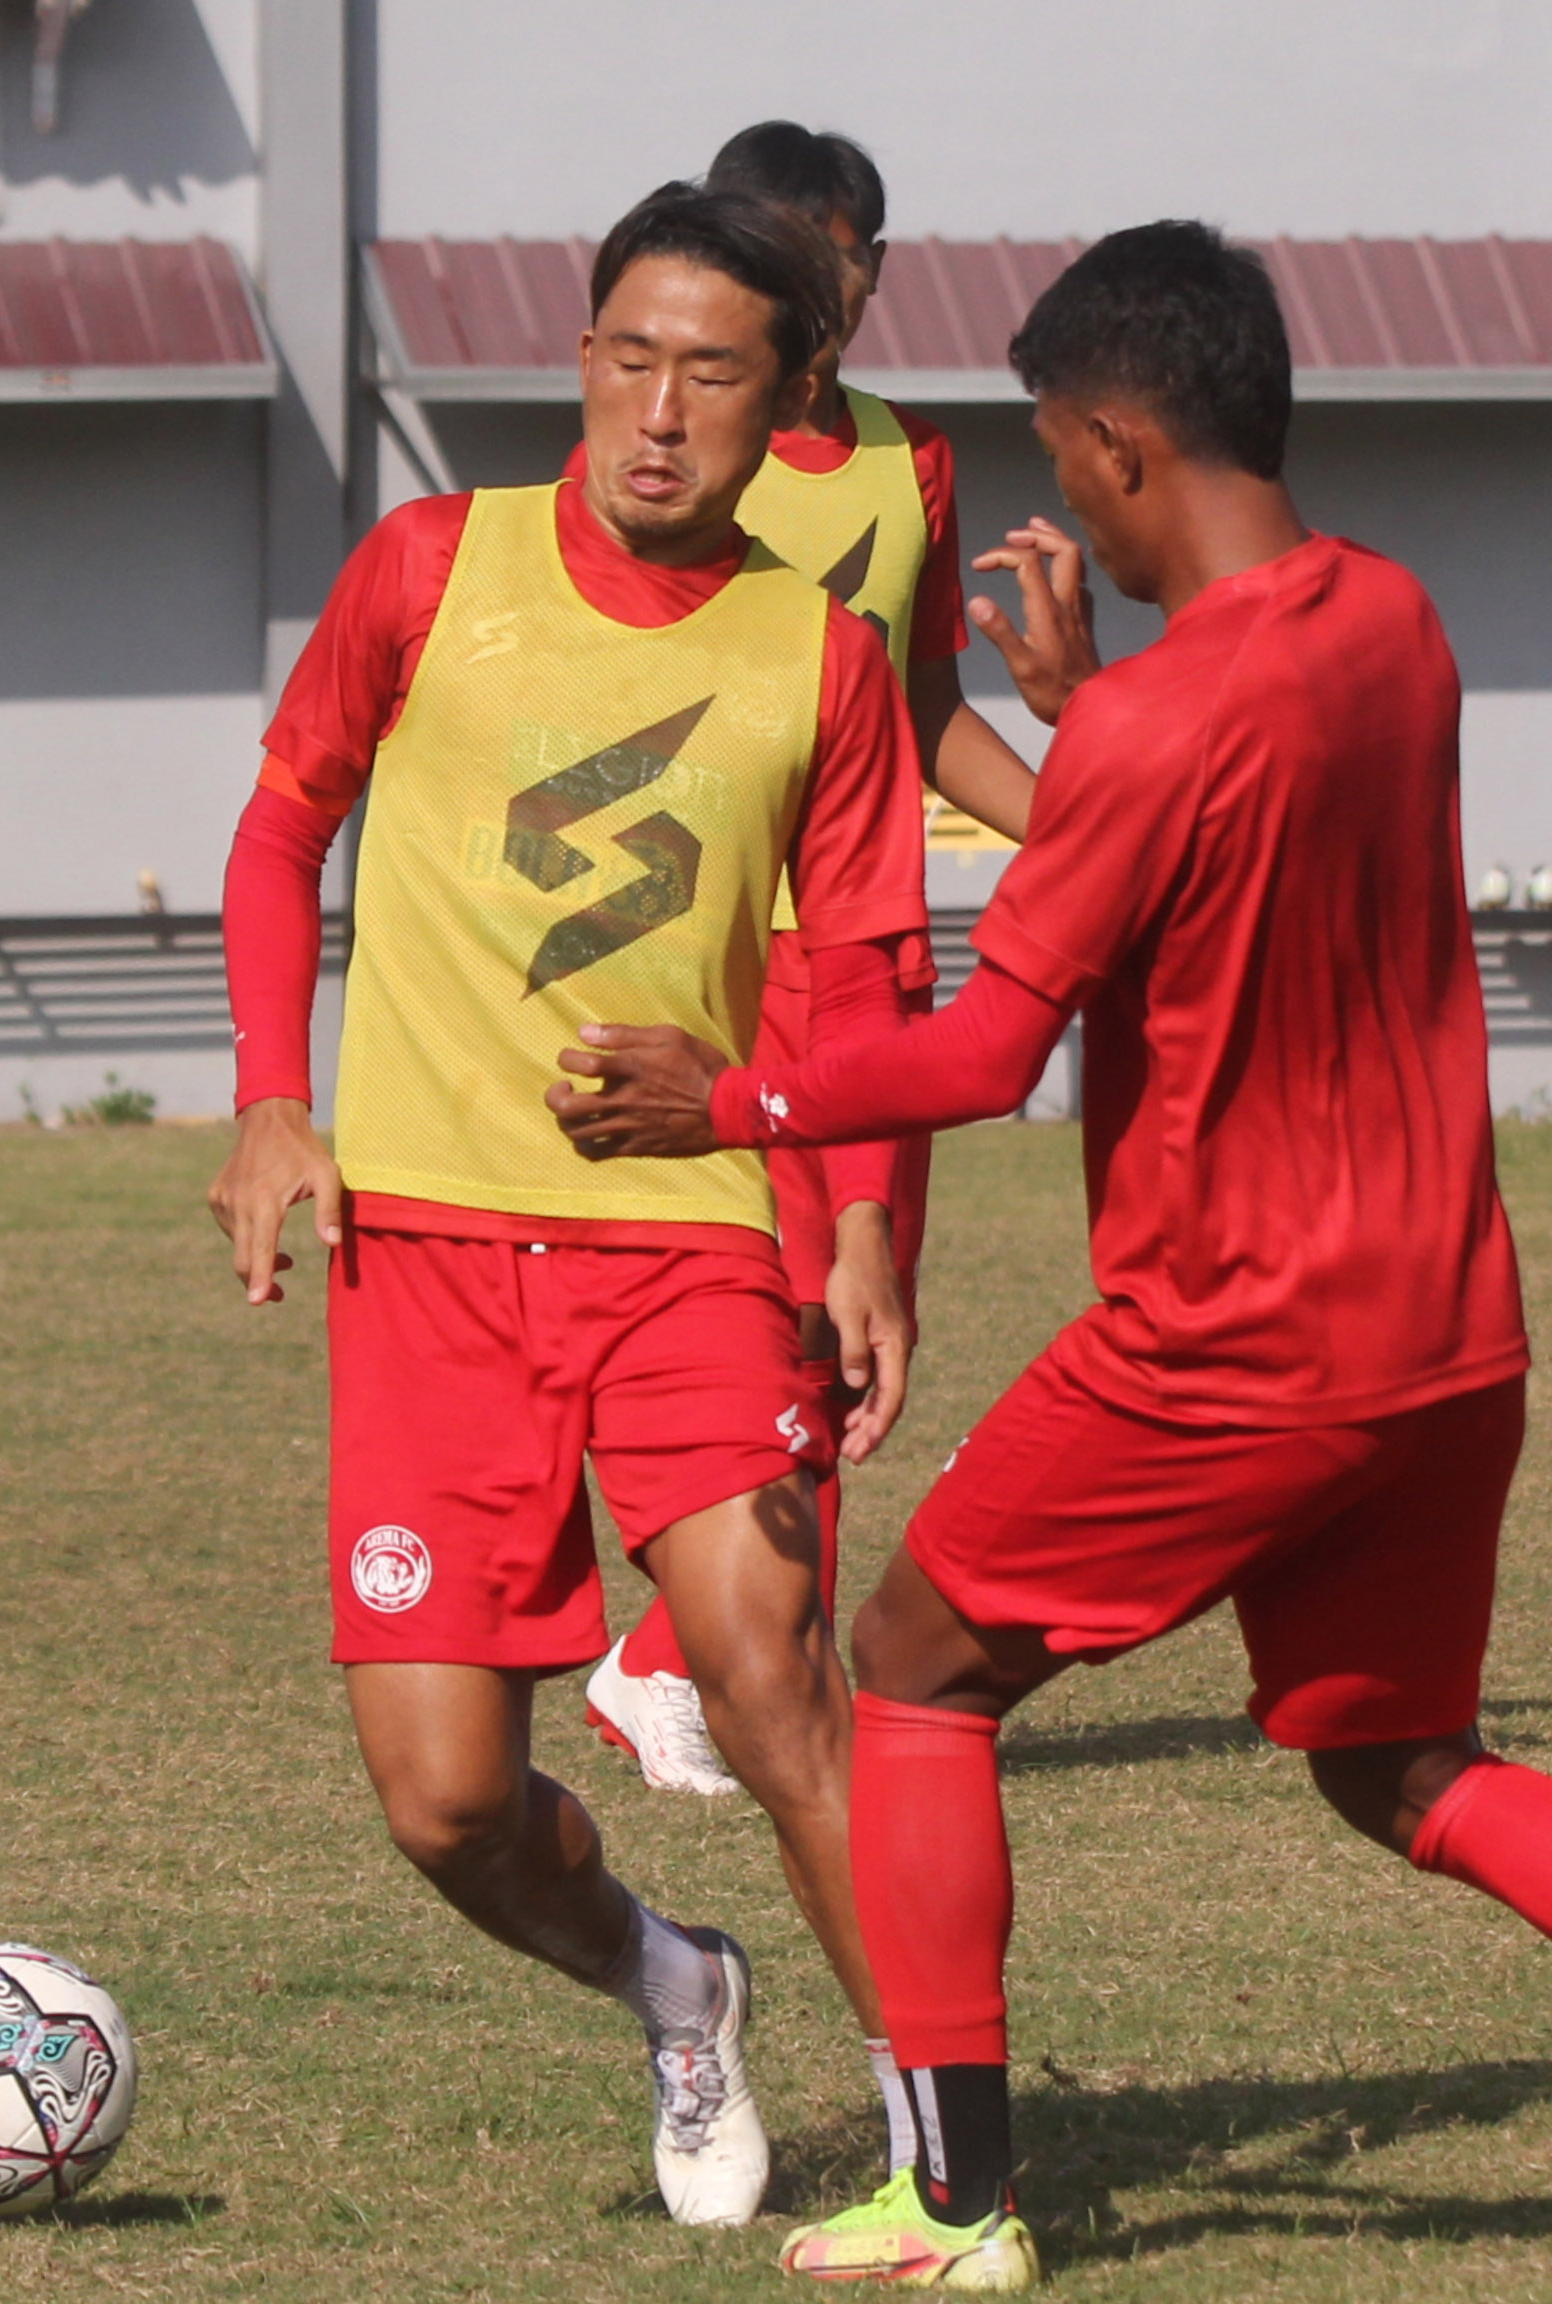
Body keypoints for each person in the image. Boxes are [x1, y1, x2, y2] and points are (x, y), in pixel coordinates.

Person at [549, 220, 1552, 2288]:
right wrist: (1085, 710)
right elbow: (1235, 833)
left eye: (1061, 452)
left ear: (1120, 442)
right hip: (1447, 1334)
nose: (1062, 497)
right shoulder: (1396, 621)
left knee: (915, 1677)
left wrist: (731, 1097)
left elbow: (986, 1048)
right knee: (1403, 1766)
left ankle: (957, 2204)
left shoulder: (1150, 731)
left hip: (1234, 1339)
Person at [201, 183, 928, 2225]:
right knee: (445, 1805)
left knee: (767, 1667)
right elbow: (278, 837)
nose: (657, 410)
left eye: (711, 369)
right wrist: (273, 1105)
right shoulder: (432, 566)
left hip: (688, 1240)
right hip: (428, 1260)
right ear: (580, 355)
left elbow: (865, 980)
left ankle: (948, 2138)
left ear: (789, 399)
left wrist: (859, 1226)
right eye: (627, 355)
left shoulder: (818, 654)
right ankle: (675, 1982)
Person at [577, 122, 1102, 1812]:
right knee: (761, 1315)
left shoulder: (909, 462)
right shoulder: (657, 449)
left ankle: (700, 1658)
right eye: (812, 242)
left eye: (863, 246)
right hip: (718, 948)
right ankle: (669, 1662)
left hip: (864, 949)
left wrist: (1094, 830)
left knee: (859, 1324)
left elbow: (930, 714)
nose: (846, 275)